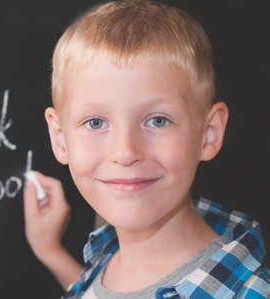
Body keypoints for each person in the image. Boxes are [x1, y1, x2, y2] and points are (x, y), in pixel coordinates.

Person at [23, 0, 269, 298]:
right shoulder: (105, 257)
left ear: (208, 134)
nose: (125, 152)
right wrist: (50, 251)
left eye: (157, 120)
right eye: (96, 123)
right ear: (60, 139)